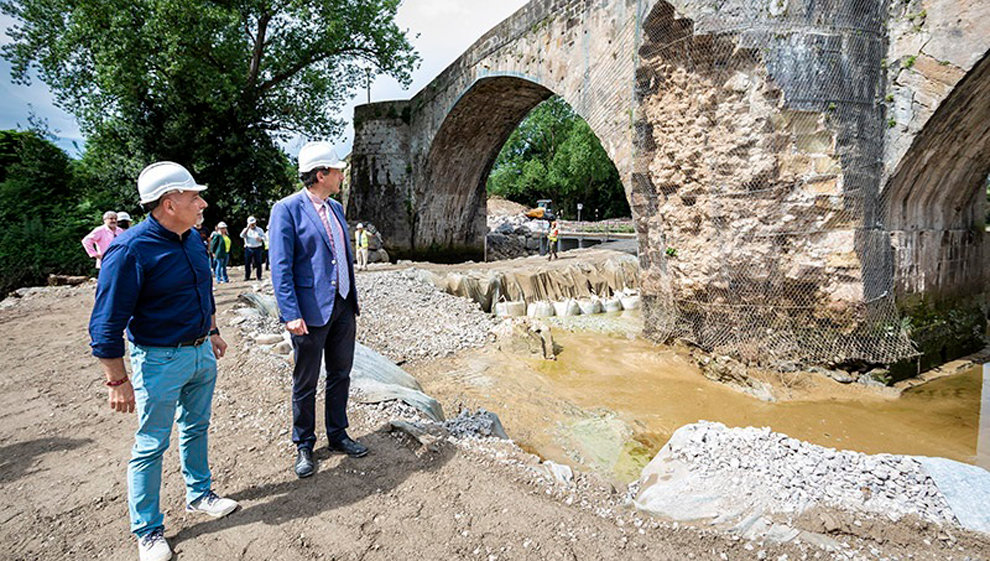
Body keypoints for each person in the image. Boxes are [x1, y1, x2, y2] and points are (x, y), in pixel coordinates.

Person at [88, 161, 238, 561]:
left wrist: (213, 330)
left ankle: (200, 494)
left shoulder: (191, 238)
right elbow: (105, 324)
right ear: (170, 203)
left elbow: (201, 290)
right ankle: (149, 530)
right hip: (158, 360)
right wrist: (117, 381)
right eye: (194, 197)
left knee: (197, 426)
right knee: (151, 443)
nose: (203, 202)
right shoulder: (129, 251)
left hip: (200, 352)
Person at [269, 141, 364, 479]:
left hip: (342, 305)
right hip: (309, 310)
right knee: (306, 380)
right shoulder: (287, 209)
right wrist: (290, 312)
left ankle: (338, 434)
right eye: (337, 170)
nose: (342, 175)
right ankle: (304, 444)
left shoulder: (336, 208)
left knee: (341, 374)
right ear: (321, 174)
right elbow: (280, 266)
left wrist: (350, 298)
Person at [240, 216, 266, 281]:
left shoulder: (259, 230)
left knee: (258, 263)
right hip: (248, 248)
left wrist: (261, 239)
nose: (253, 225)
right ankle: (247, 277)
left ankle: (259, 277)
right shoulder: (246, 230)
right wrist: (247, 228)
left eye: (254, 223)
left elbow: (264, 238)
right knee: (247, 263)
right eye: (251, 224)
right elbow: (241, 235)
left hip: (258, 248)